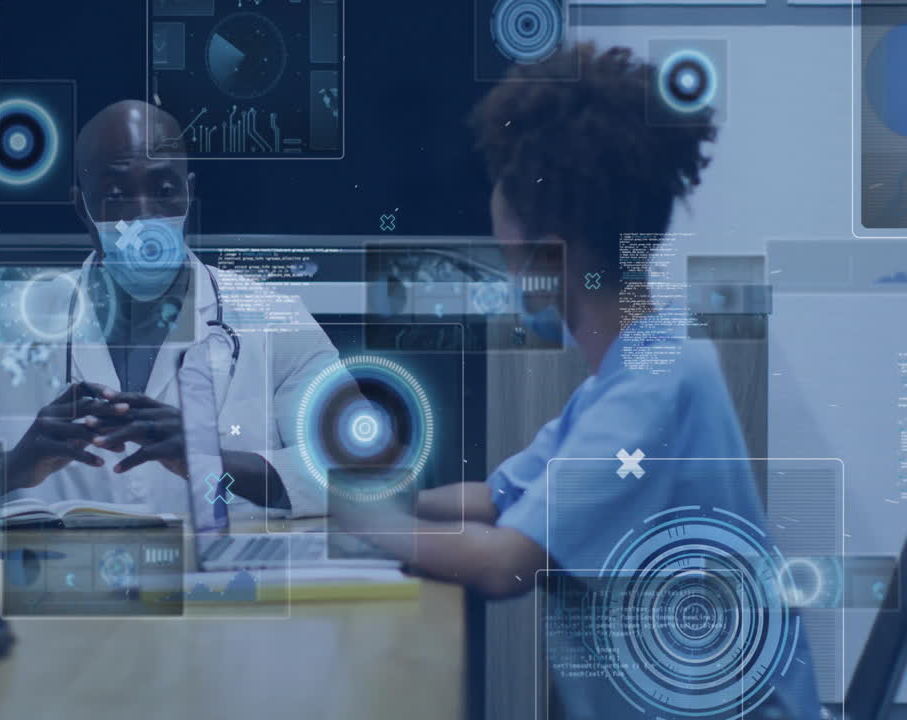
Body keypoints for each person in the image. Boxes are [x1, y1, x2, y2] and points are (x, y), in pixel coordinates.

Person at [333, 44, 821, 720]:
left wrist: (359, 521)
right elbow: (500, 498)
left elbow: (504, 562)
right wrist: (375, 501)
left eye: (506, 253)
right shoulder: (633, 371)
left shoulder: (657, 383)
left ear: (546, 254)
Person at [0, 100, 337, 518]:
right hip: (65, 602)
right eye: (115, 195)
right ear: (80, 207)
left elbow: (368, 472)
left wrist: (218, 462)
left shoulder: (275, 319)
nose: (144, 216)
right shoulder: (12, 324)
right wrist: (10, 469)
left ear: (189, 192)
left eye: (164, 190)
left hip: (225, 596)